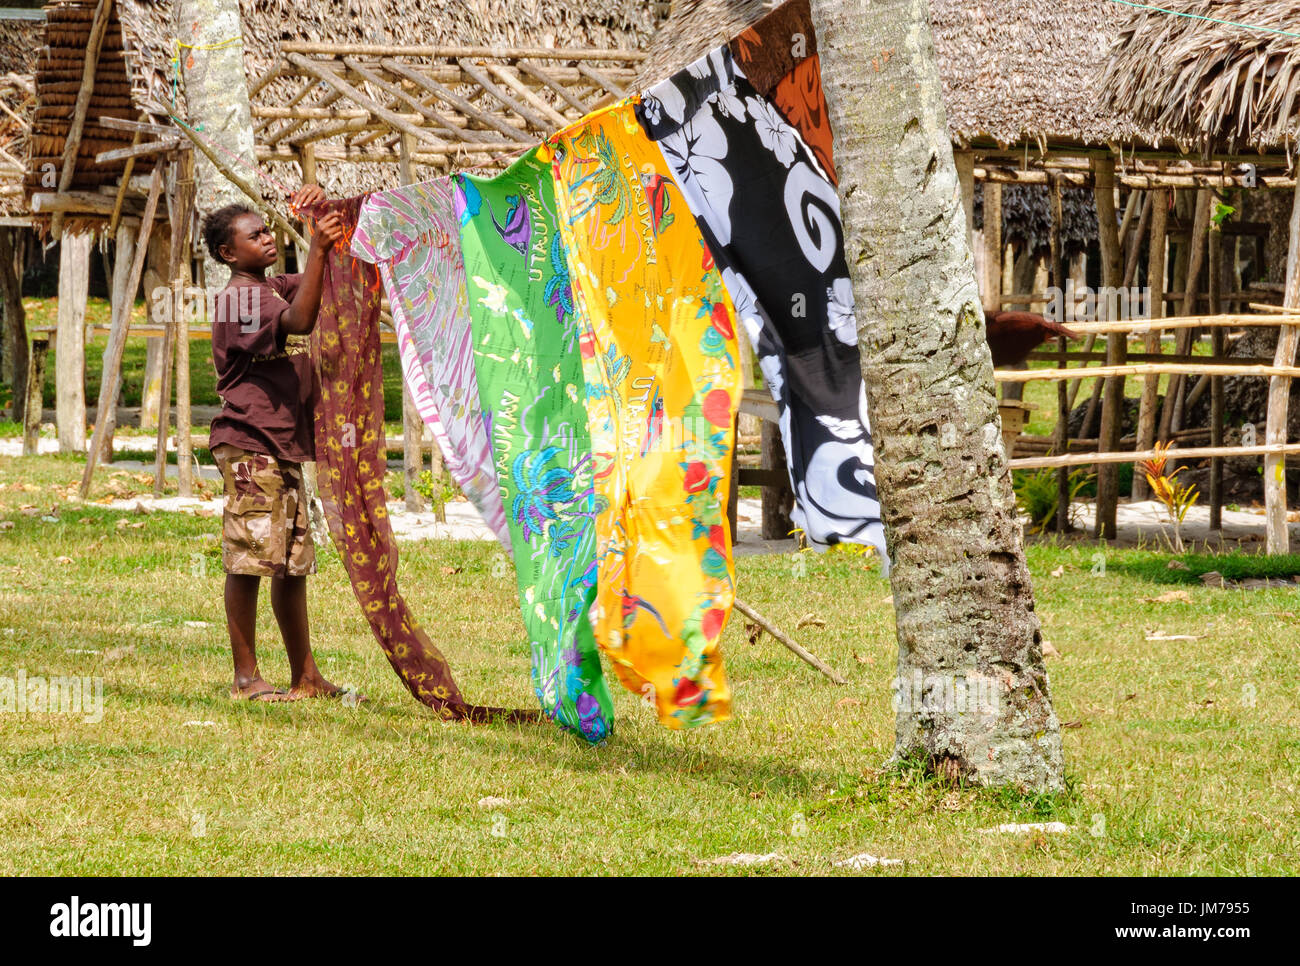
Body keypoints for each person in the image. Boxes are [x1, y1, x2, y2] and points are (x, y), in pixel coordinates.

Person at [201, 186, 345, 701]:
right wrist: (318, 249)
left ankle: (305, 677)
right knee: (250, 559)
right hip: (250, 444)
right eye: (254, 235)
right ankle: (246, 678)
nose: (266, 239)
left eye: (267, 230)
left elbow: (318, 280)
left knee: (290, 560)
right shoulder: (241, 299)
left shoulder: (270, 287)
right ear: (227, 253)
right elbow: (301, 320)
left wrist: (320, 215)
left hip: (281, 446)